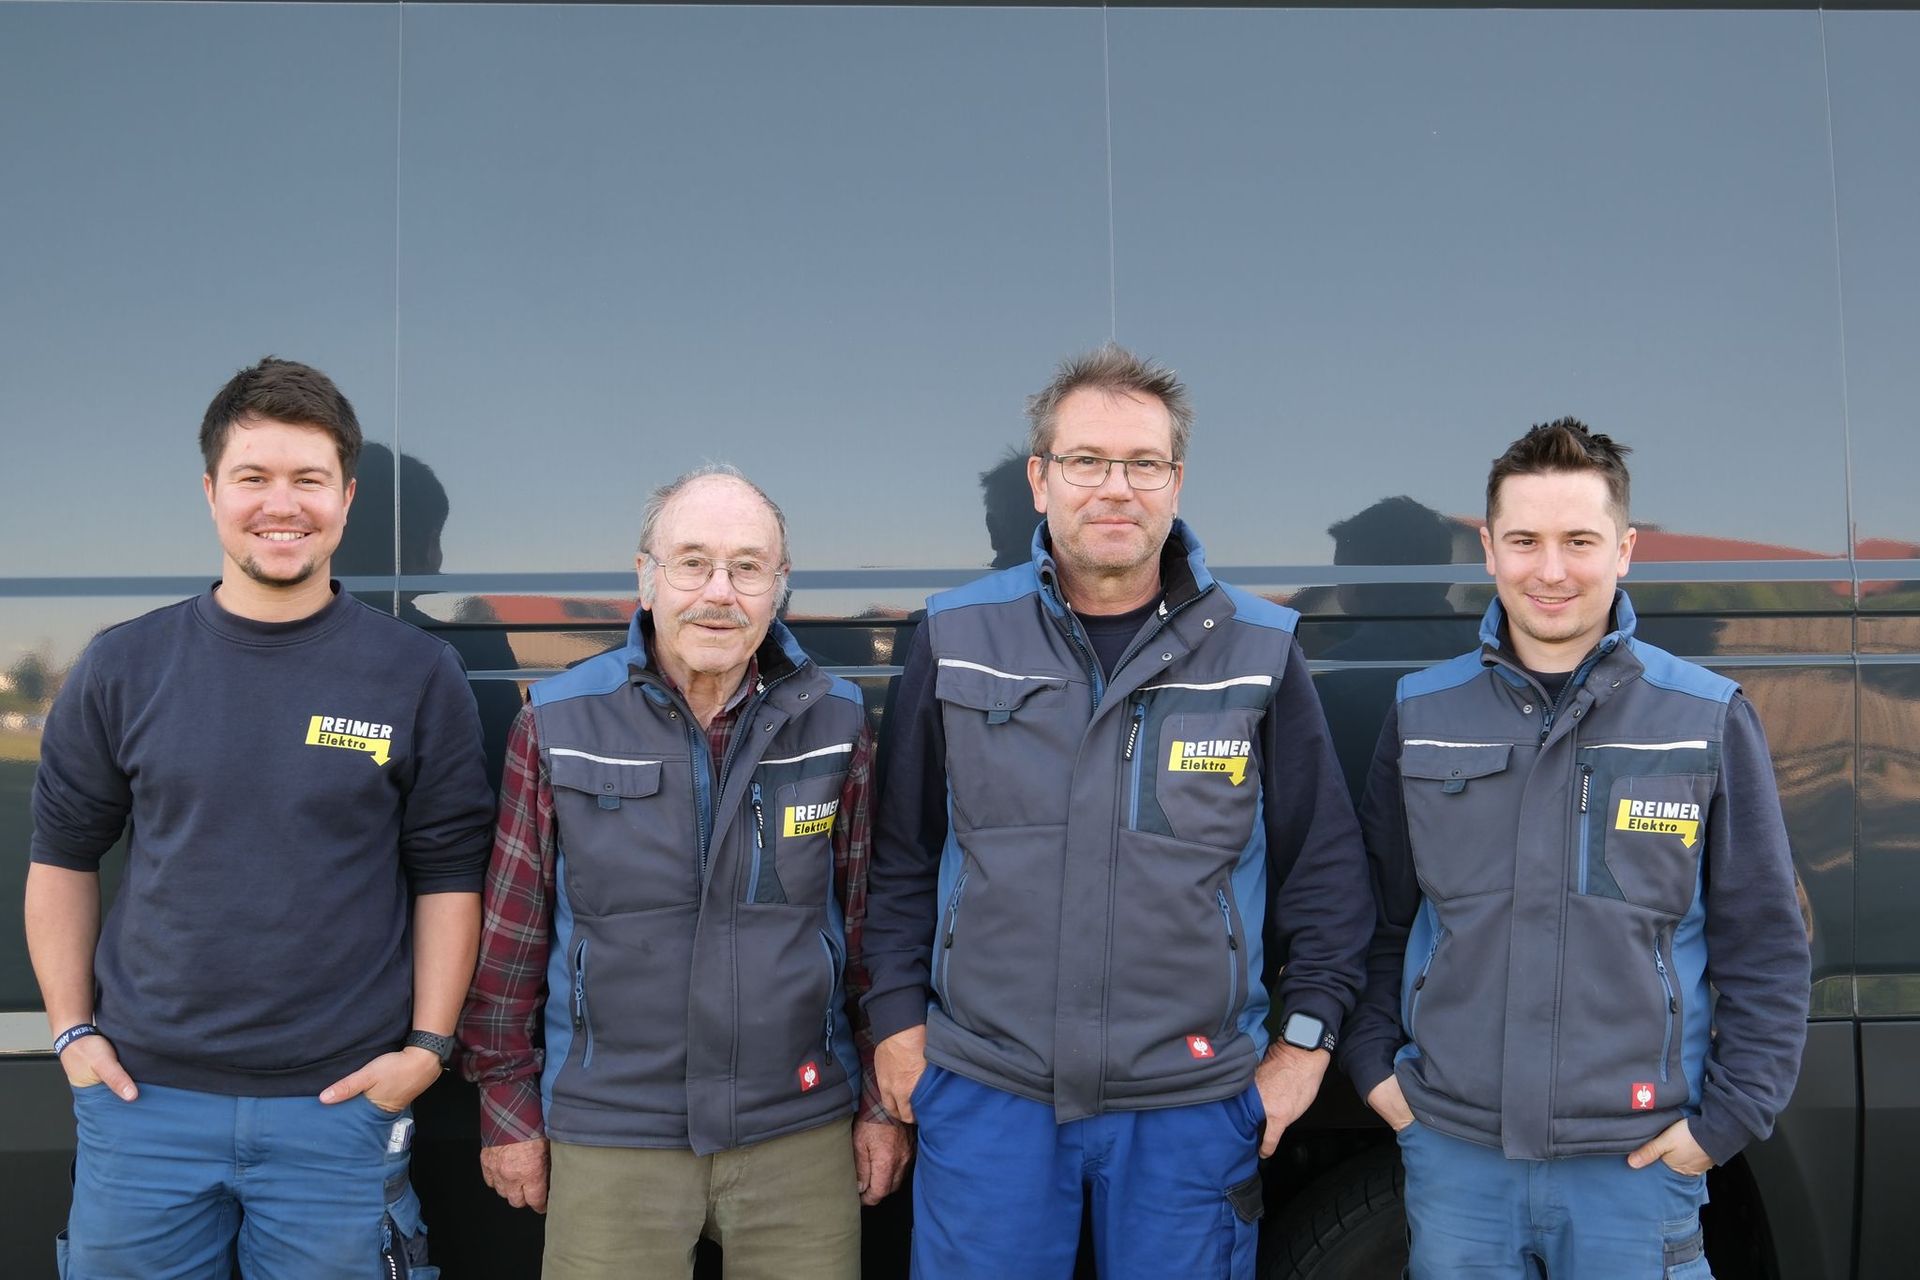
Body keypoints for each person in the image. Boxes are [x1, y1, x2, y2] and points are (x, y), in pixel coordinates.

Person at [862, 345, 1373, 1278]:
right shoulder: (955, 636)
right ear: (1040, 480)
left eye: (1143, 464)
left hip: (1191, 1105)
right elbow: (902, 854)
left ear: (1176, 483)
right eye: (1086, 461)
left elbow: (1326, 874)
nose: (1115, 488)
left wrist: (1305, 1048)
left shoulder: (1258, 650)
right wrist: (897, 1023)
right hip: (989, 1093)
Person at [25, 356, 494, 1278]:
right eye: (254, 477)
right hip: (144, 1106)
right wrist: (73, 1035)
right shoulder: (123, 666)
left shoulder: (415, 673)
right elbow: (63, 859)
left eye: (309, 479)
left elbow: (448, 873)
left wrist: (428, 1050)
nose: (283, 505)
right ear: (211, 493)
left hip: (340, 1109)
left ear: (346, 498)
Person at [1340, 419, 1811, 1277]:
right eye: (1525, 540)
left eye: (1579, 541)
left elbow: (1767, 944)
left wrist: (1724, 1125)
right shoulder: (1422, 714)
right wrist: (1377, 1070)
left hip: (1635, 1167)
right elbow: (1377, 916)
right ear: (1490, 550)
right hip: (1456, 1157)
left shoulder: (1705, 718)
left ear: (1624, 550)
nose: (1551, 570)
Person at [457, 465, 910, 1279]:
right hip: (612, 1133)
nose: (719, 592)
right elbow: (511, 940)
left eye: (747, 567)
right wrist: (507, 1106)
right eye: (693, 563)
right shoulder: (558, 720)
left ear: (780, 585)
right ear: (646, 575)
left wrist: (880, 1103)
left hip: (799, 1130)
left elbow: (868, 924)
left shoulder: (836, 718)